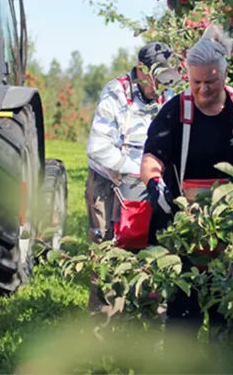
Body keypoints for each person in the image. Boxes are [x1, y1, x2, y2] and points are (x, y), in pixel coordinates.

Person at [140, 24, 233, 336]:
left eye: (211, 81)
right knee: (183, 322)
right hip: (188, 235)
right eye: (196, 82)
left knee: (230, 325)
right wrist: (155, 184)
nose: (203, 89)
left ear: (224, 75)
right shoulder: (175, 112)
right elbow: (151, 158)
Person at [85, 42, 180, 315]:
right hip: (111, 182)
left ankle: (149, 322)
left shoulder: (166, 92)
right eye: (156, 80)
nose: (161, 88)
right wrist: (138, 168)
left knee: (155, 249)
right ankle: (104, 329)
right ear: (141, 71)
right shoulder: (115, 93)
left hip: (151, 180)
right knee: (108, 251)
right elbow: (97, 148)